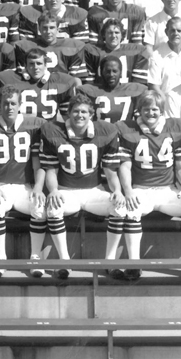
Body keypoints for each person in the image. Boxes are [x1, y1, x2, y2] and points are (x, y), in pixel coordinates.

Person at [110, 90, 181, 281]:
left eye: (155, 109)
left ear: (162, 111)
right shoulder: (127, 130)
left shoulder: (177, 127)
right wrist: (128, 191)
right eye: (146, 109)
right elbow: (125, 166)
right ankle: (134, 264)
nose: (150, 113)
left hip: (168, 190)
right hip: (141, 189)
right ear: (138, 110)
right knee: (131, 211)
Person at [37, 92, 123, 278]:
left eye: (84, 112)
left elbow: (110, 171)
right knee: (53, 208)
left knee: (120, 208)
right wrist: (53, 190)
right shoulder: (53, 131)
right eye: (75, 111)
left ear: (91, 114)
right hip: (67, 191)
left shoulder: (106, 131)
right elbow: (50, 170)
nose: (80, 115)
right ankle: (64, 261)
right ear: (68, 113)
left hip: (93, 191)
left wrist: (117, 191)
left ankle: (110, 261)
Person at [0, 88, 46, 277]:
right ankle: (1, 258)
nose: (9, 107)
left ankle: (35, 257)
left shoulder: (33, 125)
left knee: (40, 207)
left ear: (20, 105)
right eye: (5, 103)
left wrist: (39, 187)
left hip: (25, 186)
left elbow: (38, 163)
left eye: (13, 103)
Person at [81, 54, 148, 124]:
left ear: (121, 73)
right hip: (99, 133)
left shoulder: (136, 90)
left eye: (115, 71)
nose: (111, 74)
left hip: (125, 133)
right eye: (107, 71)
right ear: (101, 72)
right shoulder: (88, 91)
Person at [146, 17, 181, 93]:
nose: (176, 33)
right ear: (166, 32)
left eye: (179, 31)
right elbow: (154, 87)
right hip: (165, 102)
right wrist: (168, 103)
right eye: (172, 30)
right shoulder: (156, 56)